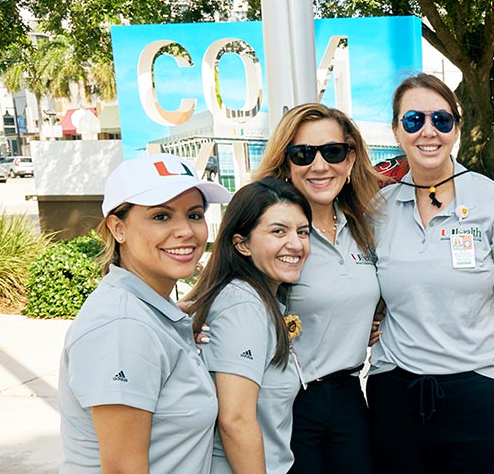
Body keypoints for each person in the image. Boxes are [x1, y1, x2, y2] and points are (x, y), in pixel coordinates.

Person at [366, 73, 494, 473]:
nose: (428, 132)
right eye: (413, 120)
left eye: (441, 120)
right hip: (396, 390)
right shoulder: (377, 208)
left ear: (457, 129)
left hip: (477, 390)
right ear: (395, 129)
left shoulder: (493, 200)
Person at [58, 153, 231, 472]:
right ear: (118, 228)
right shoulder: (123, 327)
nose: (186, 232)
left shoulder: (149, 313)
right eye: (161, 217)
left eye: (194, 215)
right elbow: (124, 468)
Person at [252, 103, 383, 473]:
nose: (320, 165)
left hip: (348, 395)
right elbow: (228, 289)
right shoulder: (271, 232)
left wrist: (376, 318)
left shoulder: (364, 226)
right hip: (289, 402)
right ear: (286, 162)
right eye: (303, 154)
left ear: (351, 158)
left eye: (333, 151)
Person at [185, 178, 312, 474]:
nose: (295, 244)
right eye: (278, 231)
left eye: (302, 232)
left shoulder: (258, 299)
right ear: (241, 243)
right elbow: (235, 421)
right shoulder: (243, 306)